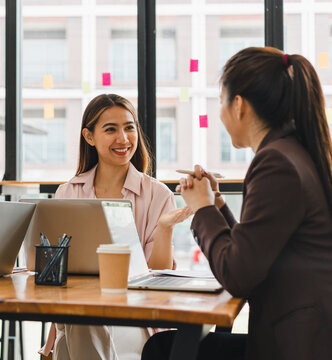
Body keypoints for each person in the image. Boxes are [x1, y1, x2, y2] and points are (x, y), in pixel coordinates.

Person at [142, 47, 332, 360]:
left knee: (162, 350)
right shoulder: (295, 152)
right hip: (305, 336)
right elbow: (254, 251)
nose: (220, 113)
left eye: (220, 101)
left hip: (294, 345)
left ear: (239, 105)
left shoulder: (275, 162)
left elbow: (238, 274)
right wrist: (215, 204)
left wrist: (202, 210)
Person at [40, 94, 191, 360]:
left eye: (129, 127)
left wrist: (165, 228)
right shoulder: (68, 192)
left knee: (77, 330)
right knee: (80, 318)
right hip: (74, 311)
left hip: (134, 318)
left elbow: (157, 276)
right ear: (89, 137)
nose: (123, 138)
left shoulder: (157, 194)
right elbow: (53, 269)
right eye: (110, 129)